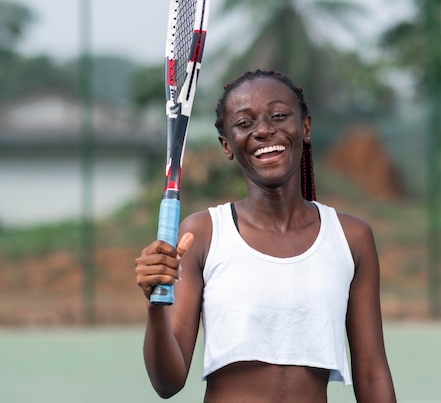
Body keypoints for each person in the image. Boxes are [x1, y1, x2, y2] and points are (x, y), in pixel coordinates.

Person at [135, 69, 396, 402]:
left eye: (278, 115)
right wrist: (155, 307)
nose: (263, 130)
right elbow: (167, 383)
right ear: (226, 145)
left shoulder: (351, 237)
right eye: (245, 123)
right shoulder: (202, 233)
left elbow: (372, 374)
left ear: (305, 127)